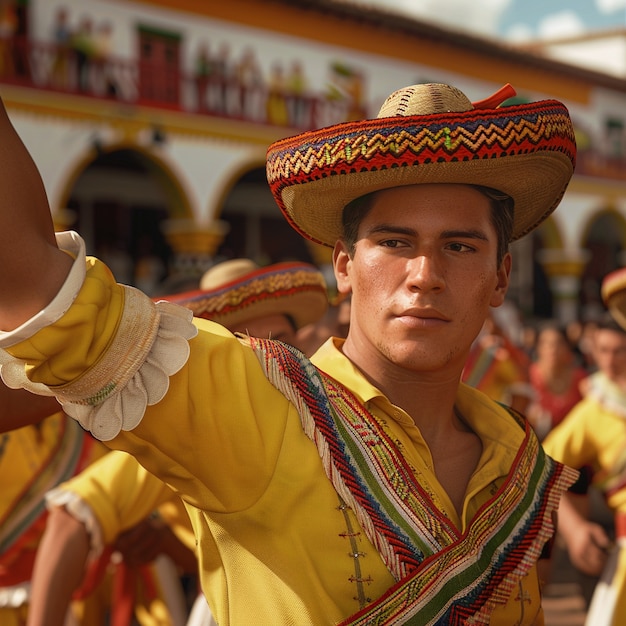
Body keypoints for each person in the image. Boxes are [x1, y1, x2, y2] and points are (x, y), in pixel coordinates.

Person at [0, 81, 579, 624]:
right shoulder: (253, 404)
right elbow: (32, 282)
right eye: (394, 242)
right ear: (345, 265)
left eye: (459, 245)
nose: (424, 274)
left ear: (500, 277)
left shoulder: (518, 456)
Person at [28, 257, 329, 626]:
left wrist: (170, 544)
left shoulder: (331, 417)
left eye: (279, 343)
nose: (265, 358)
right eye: (242, 346)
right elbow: (71, 515)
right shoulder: (197, 436)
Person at [542, 269, 626, 626]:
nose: (610, 360)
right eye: (603, 350)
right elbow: (540, 467)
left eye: (620, 350)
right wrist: (574, 528)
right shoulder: (595, 409)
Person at [526, 320, 588, 440]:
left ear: (567, 347)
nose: (552, 349)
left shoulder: (580, 378)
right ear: (538, 347)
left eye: (558, 343)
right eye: (545, 343)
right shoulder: (528, 377)